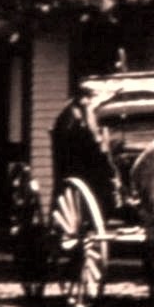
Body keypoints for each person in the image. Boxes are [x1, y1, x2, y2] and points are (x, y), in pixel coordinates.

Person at [50, 78, 120, 211]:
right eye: (93, 97)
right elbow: (91, 145)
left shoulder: (83, 112)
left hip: (88, 170)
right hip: (81, 175)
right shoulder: (73, 118)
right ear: (84, 98)